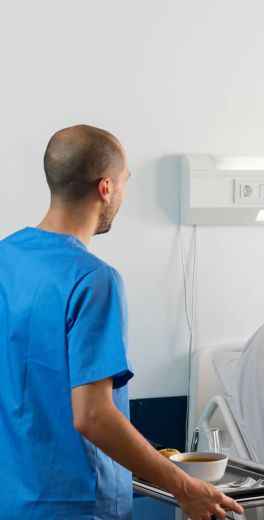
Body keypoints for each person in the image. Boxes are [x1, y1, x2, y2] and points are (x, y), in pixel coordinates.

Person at [0, 125, 243, 519]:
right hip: (77, 505)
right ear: (106, 187)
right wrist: (185, 488)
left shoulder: (6, 259)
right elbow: (93, 416)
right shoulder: (93, 279)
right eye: (126, 181)